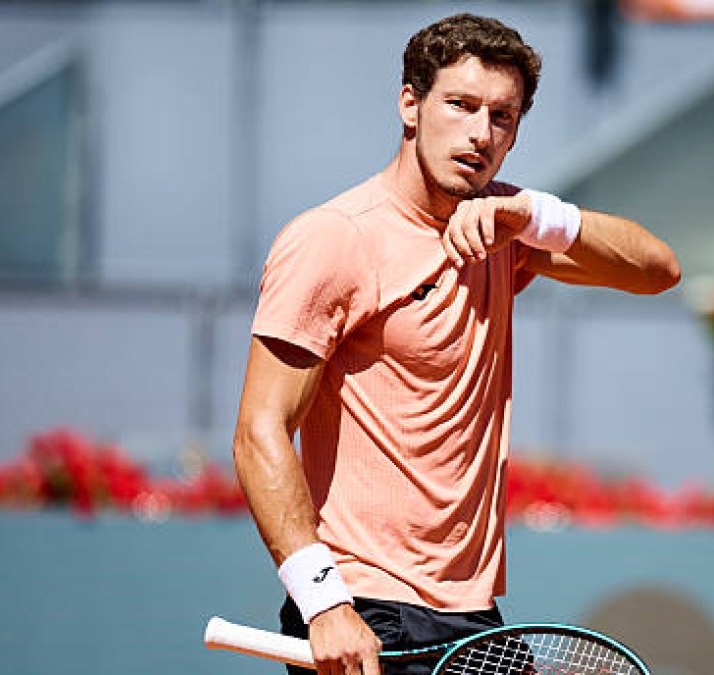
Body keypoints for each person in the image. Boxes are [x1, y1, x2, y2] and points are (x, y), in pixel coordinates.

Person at [232, 13, 680, 675]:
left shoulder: (506, 227)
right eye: (461, 106)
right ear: (410, 105)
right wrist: (324, 603)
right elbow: (259, 429)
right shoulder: (331, 239)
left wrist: (534, 216)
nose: (481, 133)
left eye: (503, 116)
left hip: (469, 612)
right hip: (363, 603)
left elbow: (657, 270)